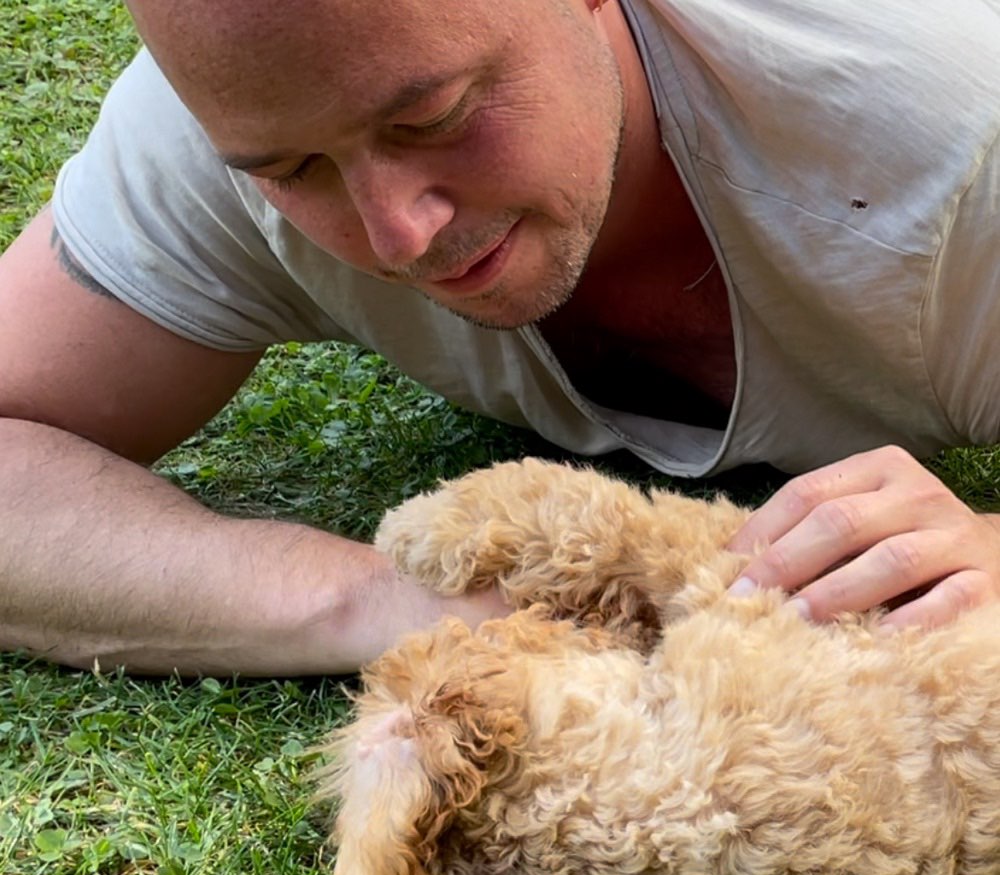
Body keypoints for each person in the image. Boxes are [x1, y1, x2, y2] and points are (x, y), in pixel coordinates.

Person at [1, 0, 998, 677]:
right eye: (297, 171)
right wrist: (380, 603)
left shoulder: (956, 151)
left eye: (432, 117)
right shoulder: (240, 109)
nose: (397, 231)